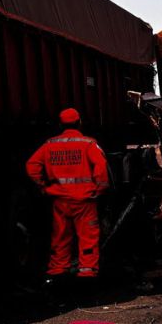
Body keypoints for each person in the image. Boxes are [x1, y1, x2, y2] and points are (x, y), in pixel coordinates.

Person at [26, 108, 109, 283]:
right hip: (85, 201)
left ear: (60, 125)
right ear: (80, 122)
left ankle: (57, 270)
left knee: (60, 237)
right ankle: (87, 273)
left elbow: (31, 166)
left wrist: (43, 186)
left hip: (59, 200)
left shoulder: (49, 144)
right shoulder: (88, 143)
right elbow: (101, 168)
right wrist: (99, 189)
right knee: (87, 237)